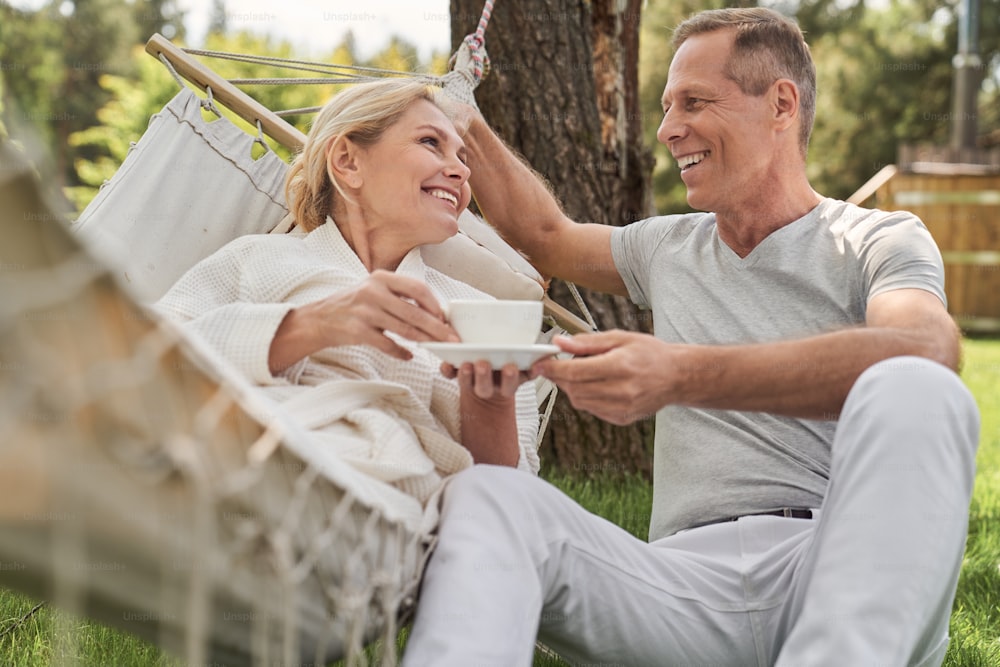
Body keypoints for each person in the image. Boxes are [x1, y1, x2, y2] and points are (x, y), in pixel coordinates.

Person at [404, 7, 980, 665]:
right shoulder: (666, 246)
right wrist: (463, 119)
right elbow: (545, 235)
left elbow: (926, 350)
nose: (668, 128)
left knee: (920, 390)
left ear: (782, 105)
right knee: (489, 496)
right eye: (666, 106)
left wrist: (680, 374)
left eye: (694, 102)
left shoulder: (875, 239)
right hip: (681, 585)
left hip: (838, 566)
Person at [155, 79, 540, 518]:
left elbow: (510, 500)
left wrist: (489, 403)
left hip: (399, 515)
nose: (461, 170)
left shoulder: (485, 317)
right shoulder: (257, 260)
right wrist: (313, 326)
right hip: (259, 464)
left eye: (462, 157)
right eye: (431, 143)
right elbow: (146, 355)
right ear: (347, 162)